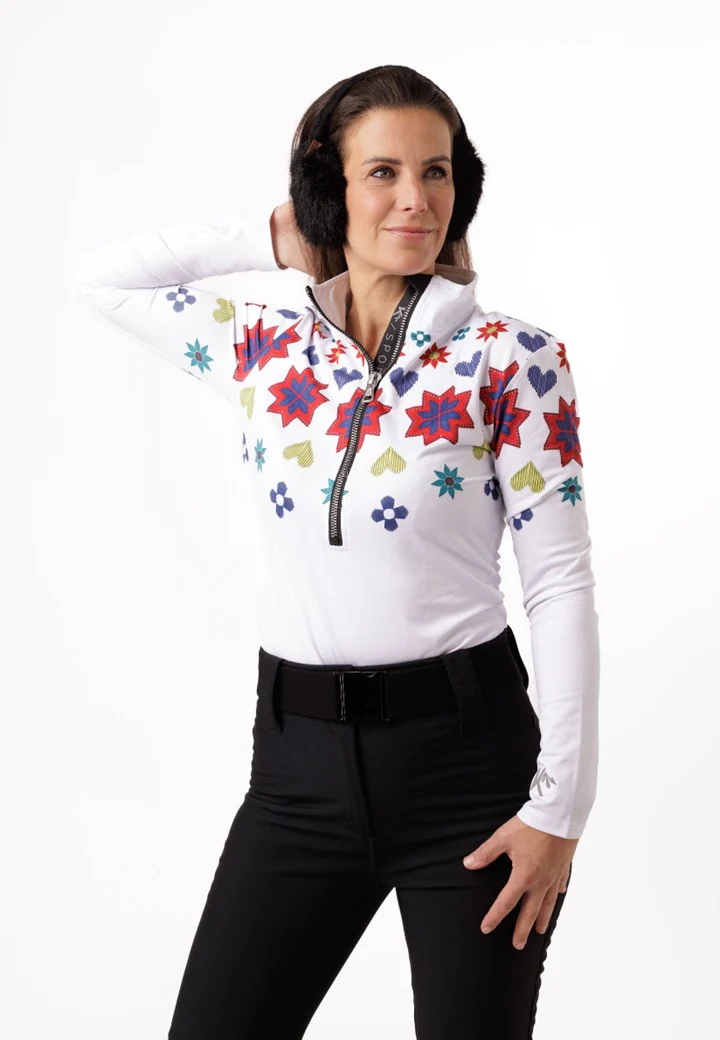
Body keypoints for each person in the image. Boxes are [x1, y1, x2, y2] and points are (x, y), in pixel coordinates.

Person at [71, 64, 600, 1040]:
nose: (416, 199)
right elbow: (100, 278)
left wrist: (559, 809)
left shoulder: (514, 359)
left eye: (437, 172)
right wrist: (279, 236)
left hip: (470, 774)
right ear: (329, 190)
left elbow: (559, 581)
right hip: (296, 774)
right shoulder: (264, 352)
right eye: (382, 173)